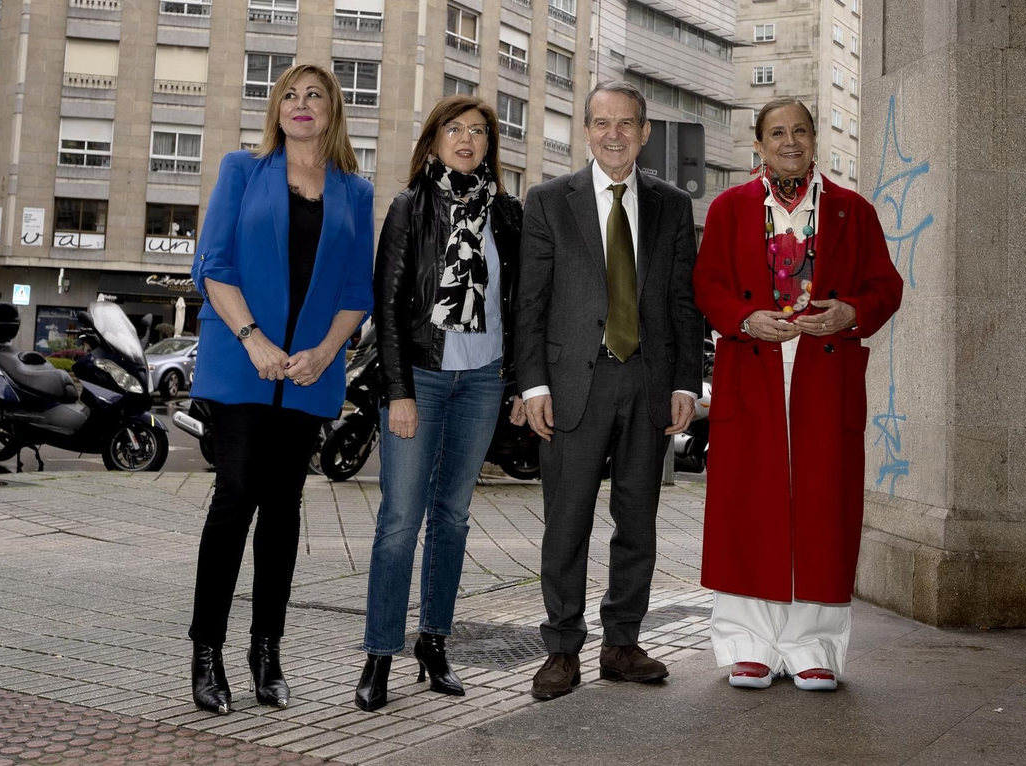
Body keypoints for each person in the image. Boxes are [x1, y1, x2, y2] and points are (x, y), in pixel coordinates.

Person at [693, 97, 903, 692]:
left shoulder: (851, 211)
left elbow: (886, 287)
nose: (790, 141)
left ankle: (814, 646)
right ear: (756, 145)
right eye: (777, 133)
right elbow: (706, 285)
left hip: (824, 375)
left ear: (816, 141)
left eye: (801, 131)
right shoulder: (731, 209)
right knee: (749, 509)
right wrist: (742, 318)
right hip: (751, 371)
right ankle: (749, 645)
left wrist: (849, 313)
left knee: (821, 511)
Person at [185, 64, 375, 715]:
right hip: (242, 364)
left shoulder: (355, 190)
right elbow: (212, 264)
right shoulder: (244, 170)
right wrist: (254, 340)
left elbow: (357, 290)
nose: (301, 104)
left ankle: (267, 652)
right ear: (277, 109)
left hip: (309, 374)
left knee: (285, 508)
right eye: (290, 94)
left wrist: (325, 353)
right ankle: (206, 653)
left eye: (314, 95)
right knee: (235, 496)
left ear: (332, 111)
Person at [516, 81, 702, 701]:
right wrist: (534, 383)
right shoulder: (547, 201)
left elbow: (683, 303)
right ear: (586, 131)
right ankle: (561, 649)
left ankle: (621, 643)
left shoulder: (673, 206)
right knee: (565, 522)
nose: (614, 134)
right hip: (573, 384)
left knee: (638, 524)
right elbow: (531, 303)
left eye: (626, 123)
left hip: (648, 382)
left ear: (644, 133)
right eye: (602, 123)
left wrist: (686, 381)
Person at [354, 94, 524, 711]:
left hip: (481, 381)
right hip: (421, 380)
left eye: (479, 132)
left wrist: (520, 383)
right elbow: (390, 308)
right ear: (433, 141)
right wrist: (397, 391)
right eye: (455, 129)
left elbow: (520, 306)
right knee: (399, 521)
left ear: (489, 147)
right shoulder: (409, 208)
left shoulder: (506, 214)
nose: (467, 140)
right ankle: (378, 655)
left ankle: (434, 643)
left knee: (451, 518)